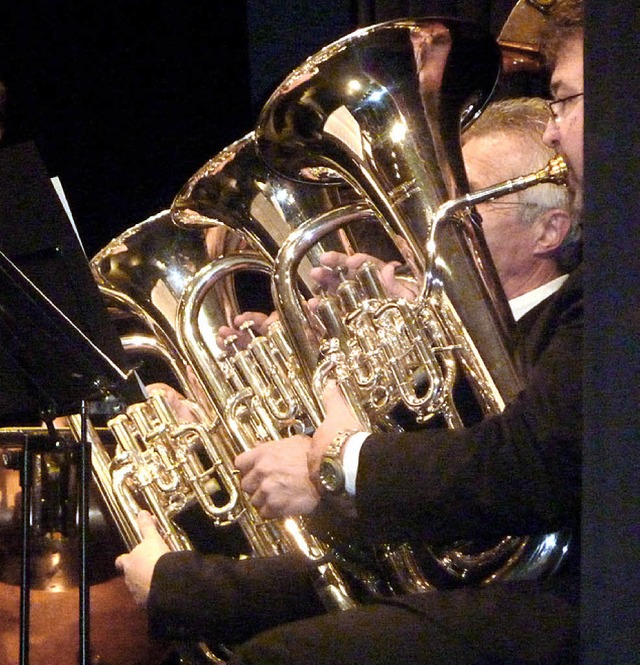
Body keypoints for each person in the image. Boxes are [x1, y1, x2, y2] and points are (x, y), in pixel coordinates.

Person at [116, 2, 585, 662]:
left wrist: (335, 461)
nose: (438, 213)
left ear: (549, 230)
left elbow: (461, 510)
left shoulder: (566, 327)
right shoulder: (459, 349)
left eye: (469, 192)